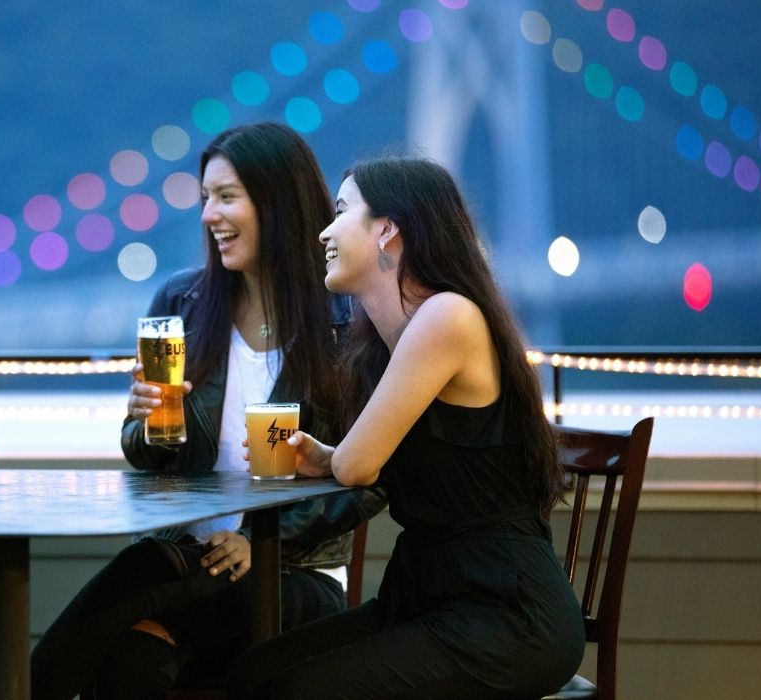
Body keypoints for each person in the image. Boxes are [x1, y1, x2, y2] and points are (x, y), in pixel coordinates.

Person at [31, 123, 386, 699]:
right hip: (188, 568)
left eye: (226, 197)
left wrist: (261, 539)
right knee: (129, 660)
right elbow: (147, 457)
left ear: (278, 201)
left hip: (293, 573)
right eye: (204, 200)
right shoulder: (181, 303)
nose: (207, 216)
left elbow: (369, 477)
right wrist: (144, 424)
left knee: (144, 572)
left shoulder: (348, 319)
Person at [226, 157, 585, 698]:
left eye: (342, 211)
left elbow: (360, 464)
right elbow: (367, 459)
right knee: (254, 673)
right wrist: (325, 457)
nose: (324, 230)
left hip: (509, 615)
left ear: (387, 230)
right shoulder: (386, 341)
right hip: (425, 599)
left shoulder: (447, 317)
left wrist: (338, 459)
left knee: (299, 690)